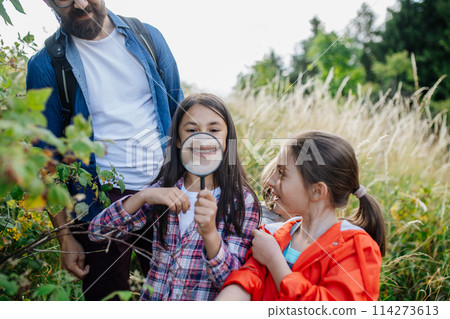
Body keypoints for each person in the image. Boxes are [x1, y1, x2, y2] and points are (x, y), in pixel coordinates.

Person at [26, 0, 183, 300]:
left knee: (177, 295)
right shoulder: (46, 65)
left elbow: (183, 113)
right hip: (101, 206)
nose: (81, 3)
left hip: (167, 192)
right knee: (106, 299)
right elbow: (45, 161)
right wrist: (65, 237)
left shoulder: (148, 38)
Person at [88, 93, 261, 300]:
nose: (202, 139)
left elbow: (233, 284)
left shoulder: (242, 202)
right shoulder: (162, 192)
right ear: (178, 140)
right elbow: (97, 233)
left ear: (227, 140)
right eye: (192, 130)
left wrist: (210, 234)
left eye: (213, 130)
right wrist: (142, 196)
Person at [216, 131, 386, 301]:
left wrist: (275, 262)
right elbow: (247, 280)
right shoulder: (274, 236)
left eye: (282, 173)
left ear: (317, 191)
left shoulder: (355, 248)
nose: (270, 180)